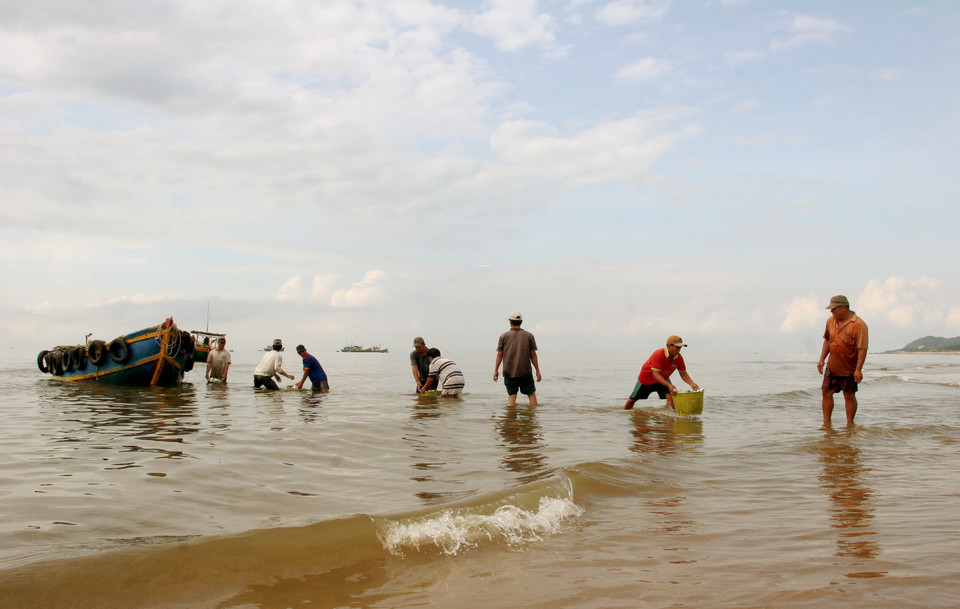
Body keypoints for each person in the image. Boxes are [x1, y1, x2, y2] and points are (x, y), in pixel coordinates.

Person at [817, 295, 869, 425]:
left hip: (849, 367)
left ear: (843, 308)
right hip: (832, 365)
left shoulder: (859, 325)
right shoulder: (830, 321)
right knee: (826, 392)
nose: (831, 311)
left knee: (849, 395)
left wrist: (858, 370)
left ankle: (850, 424)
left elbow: (862, 348)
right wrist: (822, 359)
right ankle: (826, 423)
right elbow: (828, 340)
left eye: (833, 309)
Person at [623, 335, 700, 411]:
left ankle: (668, 418)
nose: (679, 350)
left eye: (680, 347)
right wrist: (669, 385)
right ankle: (624, 413)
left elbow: (683, 373)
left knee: (671, 397)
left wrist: (692, 384)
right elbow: (655, 374)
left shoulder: (678, 358)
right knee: (632, 400)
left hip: (663, 378)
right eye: (677, 347)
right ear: (669, 346)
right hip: (647, 379)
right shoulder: (658, 354)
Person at [493, 312, 542, 405]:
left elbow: (500, 355)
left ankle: (511, 418)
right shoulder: (529, 336)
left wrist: (496, 370)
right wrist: (537, 371)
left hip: (509, 372)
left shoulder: (503, 336)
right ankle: (533, 418)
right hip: (525, 372)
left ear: (510, 322)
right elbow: (533, 355)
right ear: (521, 322)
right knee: (531, 394)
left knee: (512, 395)